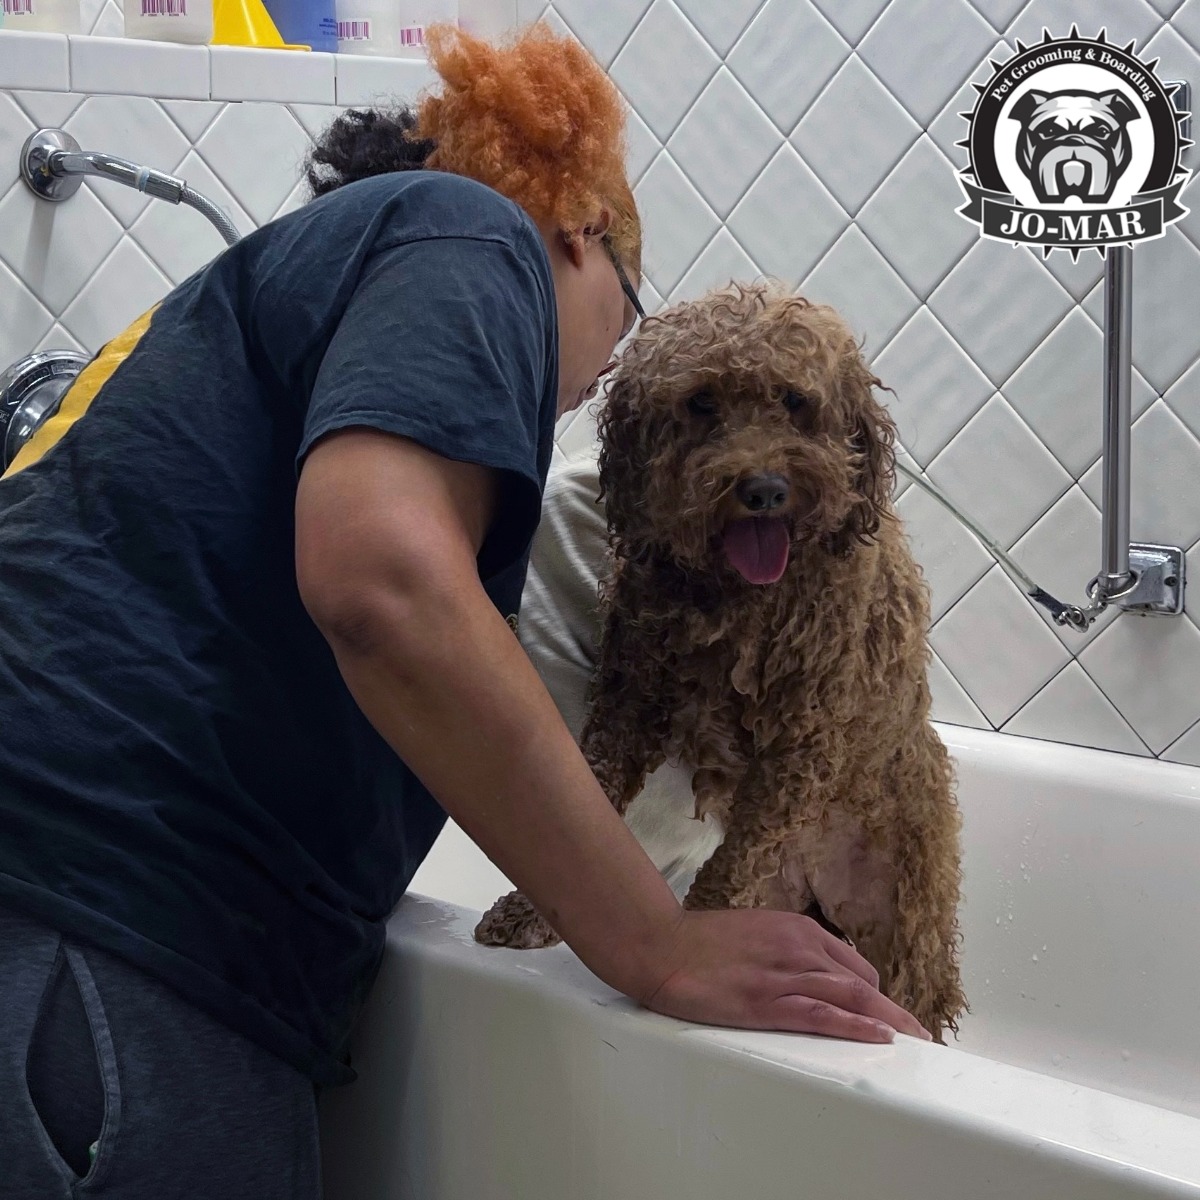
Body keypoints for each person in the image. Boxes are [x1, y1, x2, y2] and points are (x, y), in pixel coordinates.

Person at [0, 22, 927, 1199]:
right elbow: (385, 582)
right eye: (623, 321)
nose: (590, 384)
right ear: (584, 232)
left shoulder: (292, 296)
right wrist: (651, 941)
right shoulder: (469, 230)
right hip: (106, 931)